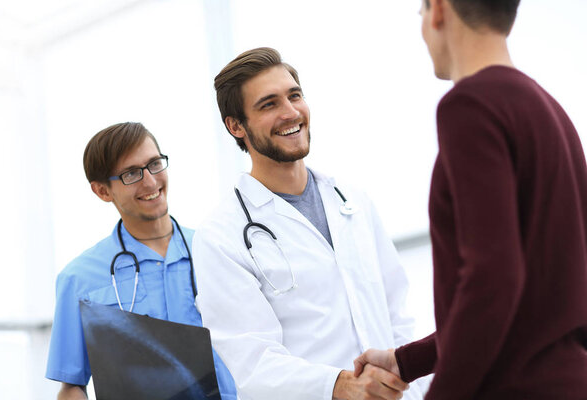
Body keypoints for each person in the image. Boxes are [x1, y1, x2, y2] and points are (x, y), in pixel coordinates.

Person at [354, 0, 587, 399]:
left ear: (440, 10)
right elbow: (532, 300)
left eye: (421, 13)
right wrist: (408, 361)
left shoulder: (469, 106)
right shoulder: (548, 109)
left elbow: (493, 279)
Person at [192, 47, 423, 400]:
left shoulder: (352, 200)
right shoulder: (221, 237)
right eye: (269, 104)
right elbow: (254, 364)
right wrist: (341, 385)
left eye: (294, 96)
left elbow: (398, 316)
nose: (290, 113)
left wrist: (420, 386)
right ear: (236, 126)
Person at [46, 122, 237, 399]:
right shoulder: (79, 279)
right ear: (102, 191)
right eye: (131, 174)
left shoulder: (219, 252)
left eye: (155, 164)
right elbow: (72, 385)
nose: (150, 181)